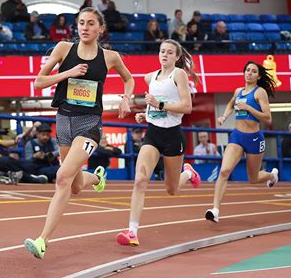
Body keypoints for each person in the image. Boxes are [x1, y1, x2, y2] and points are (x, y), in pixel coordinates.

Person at [24, 7, 134, 259]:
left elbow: (129, 79)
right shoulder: (63, 48)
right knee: (73, 185)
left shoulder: (110, 57)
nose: (84, 27)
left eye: (90, 23)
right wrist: (69, 73)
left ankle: (42, 240)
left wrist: (126, 99)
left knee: (62, 177)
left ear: (100, 29)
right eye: (81, 23)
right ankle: (96, 179)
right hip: (63, 120)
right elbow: (39, 81)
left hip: (89, 124)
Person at [116, 39, 201, 246]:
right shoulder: (149, 77)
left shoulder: (178, 75)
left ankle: (188, 173)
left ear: (176, 57)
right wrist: (145, 115)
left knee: (171, 189)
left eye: (170, 52)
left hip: (173, 136)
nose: (165, 55)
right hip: (153, 135)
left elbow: (187, 106)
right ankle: (132, 232)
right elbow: (153, 103)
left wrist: (159, 104)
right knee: (140, 180)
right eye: (162, 51)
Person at [205, 61, 279, 223]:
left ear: (258, 76)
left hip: (254, 139)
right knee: (224, 171)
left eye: (253, 71)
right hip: (237, 137)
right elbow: (231, 103)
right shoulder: (238, 91)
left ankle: (272, 176)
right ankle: (215, 210)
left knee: (253, 178)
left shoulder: (260, 93)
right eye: (247, 70)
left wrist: (249, 108)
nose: (249, 73)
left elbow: (268, 118)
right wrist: (224, 116)